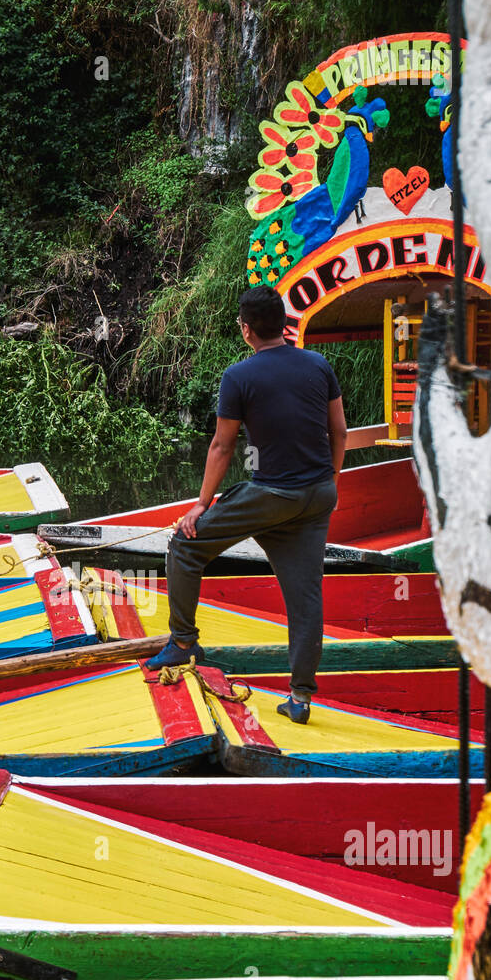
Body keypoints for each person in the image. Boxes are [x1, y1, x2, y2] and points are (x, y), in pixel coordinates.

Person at [145, 284, 347, 725]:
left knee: (185, 545)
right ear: (284, 325)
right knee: (305, 595)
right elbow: (340, 433)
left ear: (246, 330)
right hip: (317, 496)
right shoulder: (318, 365)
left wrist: (201, 504)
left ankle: (182, 642)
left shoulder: (239, 376)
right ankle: (300, 697)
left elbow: (221, 445)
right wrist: (327, 483)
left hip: (274, 494)